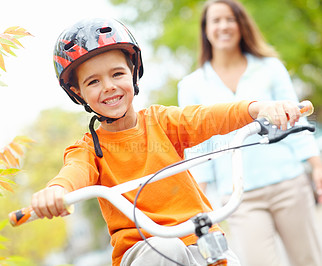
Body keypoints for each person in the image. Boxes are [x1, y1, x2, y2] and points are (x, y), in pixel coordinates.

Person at [30, 17, 303, 266]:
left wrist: (257, 109)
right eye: (93, 82)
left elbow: (206, 117)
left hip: (198, 236)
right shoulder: (88, 149)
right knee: (167, 248)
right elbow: (74, 172)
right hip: (143, 250)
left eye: (117, 74)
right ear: (78, 92)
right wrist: (56, 191)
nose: (109, 86)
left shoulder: (162, 122)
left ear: (134, 72)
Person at [178, 1, 322, 266]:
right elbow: (197, 148)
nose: (224, 26)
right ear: (205, 29)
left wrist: (317, 167)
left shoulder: (270, 67)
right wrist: (197, 202)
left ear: (241, 25)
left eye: (230, 19)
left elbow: (297, 120)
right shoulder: (191, 86)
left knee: (308, 260)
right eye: (216, 20)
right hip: (239, 196)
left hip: (288, 183)